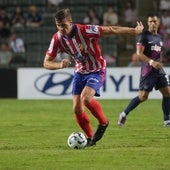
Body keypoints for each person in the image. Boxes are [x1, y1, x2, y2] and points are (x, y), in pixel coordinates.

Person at [43, 8, 143, 146]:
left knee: (86, 98)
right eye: (58, 26)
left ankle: (103, 122)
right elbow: (46, 63)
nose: (61, 29)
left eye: (64, 25)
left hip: (97, 69)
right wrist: (60, 65)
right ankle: (90, 139)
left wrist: (134, 31)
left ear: (70, 22)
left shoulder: (85, 30)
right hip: (79, 72)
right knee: (77, 109)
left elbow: (111, 29)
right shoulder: (57, 38)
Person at [118, 14, 170, 127]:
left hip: (158, 70)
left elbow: (159, 53)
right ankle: (123, 114)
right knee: (143, 97)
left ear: (158, 23)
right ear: (148, 23)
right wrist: (152, 62)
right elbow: (139, 54)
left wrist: (160, 63)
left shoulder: (159, 37)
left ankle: (167, 120)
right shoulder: (144, 36)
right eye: (150, 21)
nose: (153, 23)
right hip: (148, 70)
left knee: (167, 92)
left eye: (155, 21)